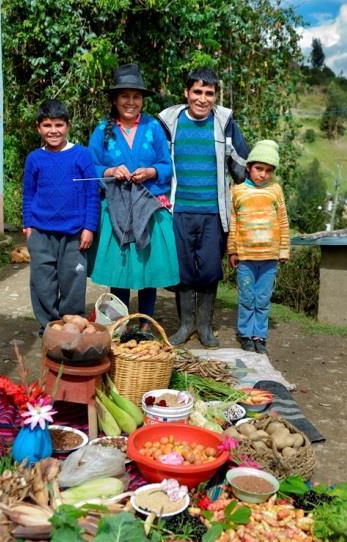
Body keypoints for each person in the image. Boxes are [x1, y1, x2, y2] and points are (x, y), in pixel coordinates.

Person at [158, 67, 249, 347]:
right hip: (180, 209)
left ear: (215, 96)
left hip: (213, 211)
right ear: (186, 93)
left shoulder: (224, 123)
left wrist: (247, 179)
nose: (202, 98)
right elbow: (158, 161)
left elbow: (243, 161)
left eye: (209, 93)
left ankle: (206, 327)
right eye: (197, 92)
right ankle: (185, 326)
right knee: (183, 270)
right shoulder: (169, 122)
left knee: (209, 270)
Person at [88, 63, 179, 327]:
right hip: (116, 211)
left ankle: (146, 324)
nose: (131, 102)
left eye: (136, 97)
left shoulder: (153, 128)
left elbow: (166, 165)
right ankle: (121, 324)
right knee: (122, 270)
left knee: (147, 268)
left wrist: (150, 172)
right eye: (125, 96)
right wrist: (111, 170)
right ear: (115, 100)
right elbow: (91, 168)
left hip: (149, 209)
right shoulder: (101, 131)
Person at [22, 99, 100, 336]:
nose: (53, 131)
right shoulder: (34, 158)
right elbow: (28, 194)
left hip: (74, 234)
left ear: (68, 126)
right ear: (39, 128)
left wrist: (89, 227)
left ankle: (71, 325)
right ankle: (48, 326)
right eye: (47, 125)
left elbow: (92, 194)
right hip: (41, 232)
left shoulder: (82, 155)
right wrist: (28, 225)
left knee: (73, 282)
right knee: (42, 283)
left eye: (58, 125)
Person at [227, 140, 290, 354]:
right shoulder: (237, 191)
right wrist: (233, 250)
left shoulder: (275, 191)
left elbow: (283, 221)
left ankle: (259, 336)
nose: (263, 175)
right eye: (259, 169)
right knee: (247, 297)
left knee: (262, 299)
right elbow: (233, 222)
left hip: (270, 257)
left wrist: (284, 249)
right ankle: (245, 334)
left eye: (268, 171)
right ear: (249, 167)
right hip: (246, 256)